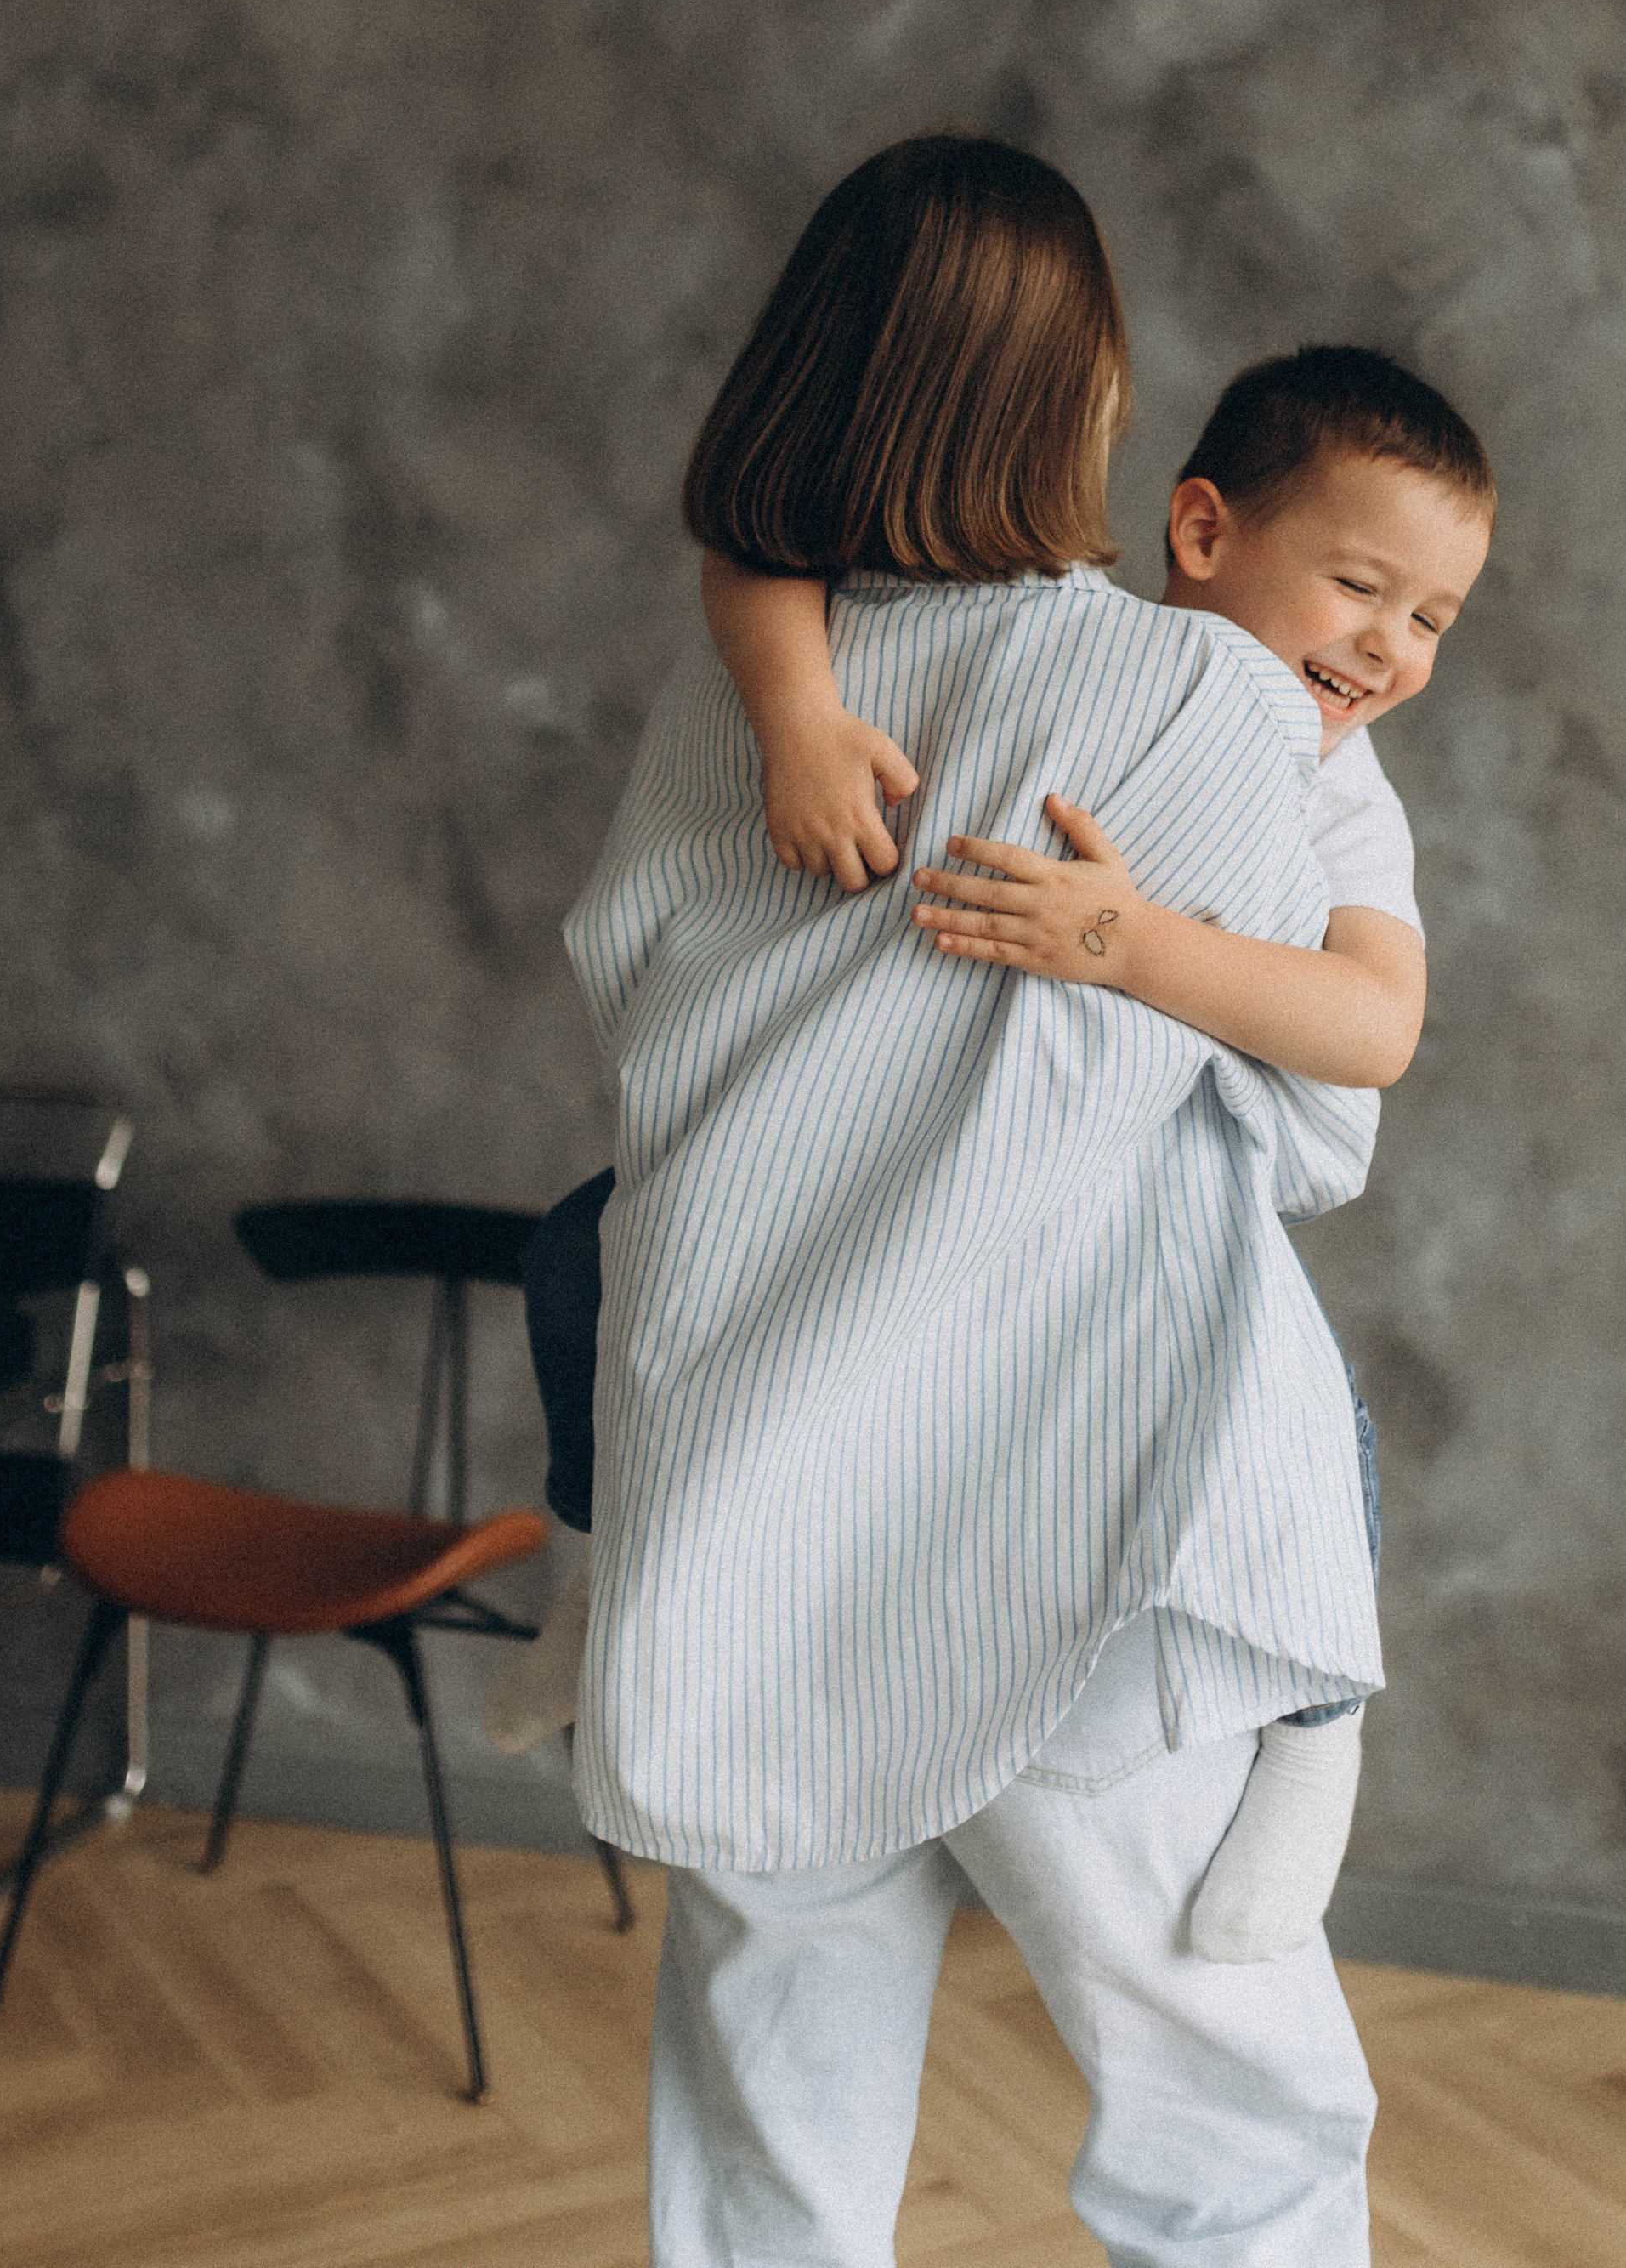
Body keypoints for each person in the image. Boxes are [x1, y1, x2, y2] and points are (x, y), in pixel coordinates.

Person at [552, 133, 1389, 2268]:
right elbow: (1311, 1120)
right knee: (1234, 2103)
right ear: (1083, 394)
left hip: (745, 1474)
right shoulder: (1203, 692)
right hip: (1058, 1501)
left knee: (768, 2099)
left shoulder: (745, 699)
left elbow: (639, 981)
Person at [499, 347, 1495, 1968]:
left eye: (1434, 622)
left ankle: (1318, 1719)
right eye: (1360, 588)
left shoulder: (1340, 794)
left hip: (1122, 1214)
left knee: (1304, 1401)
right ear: (1197, 530)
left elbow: (1375, 1026)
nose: (1390, 646)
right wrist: (799, 716)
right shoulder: (1046, 646)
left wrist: (1128, 940)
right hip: (881, 1162)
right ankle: (622, 1562)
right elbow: (770, 547)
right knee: (594, 1249)